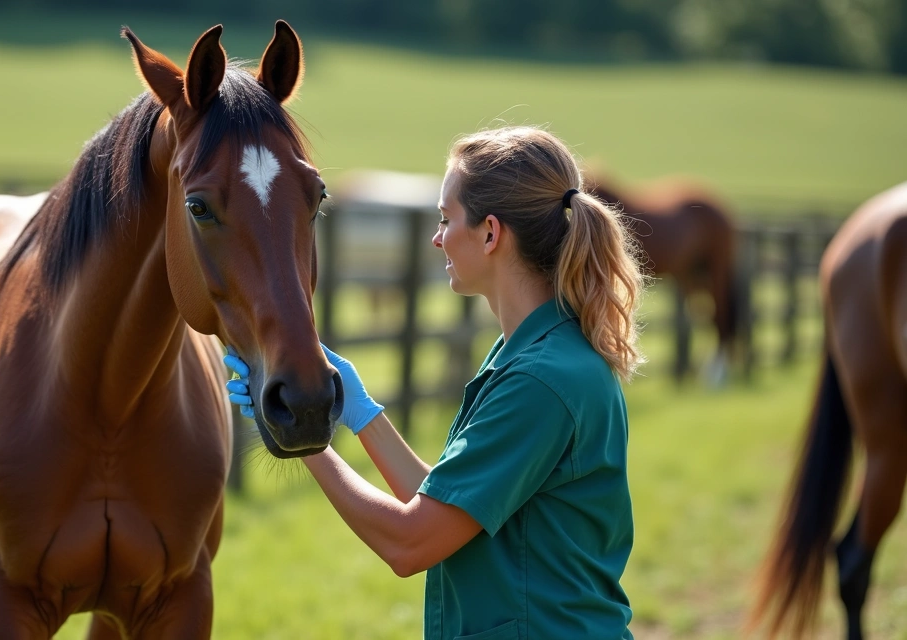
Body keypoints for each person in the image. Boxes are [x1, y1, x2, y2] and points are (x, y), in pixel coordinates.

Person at [225, 126, 646, 639]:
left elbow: (411, 542)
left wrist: (305, 436)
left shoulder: (539, 380)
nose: (437, 237)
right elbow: (448, 503)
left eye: (446, 219)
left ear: (490, 234)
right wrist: (359, 410)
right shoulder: (536, 355)